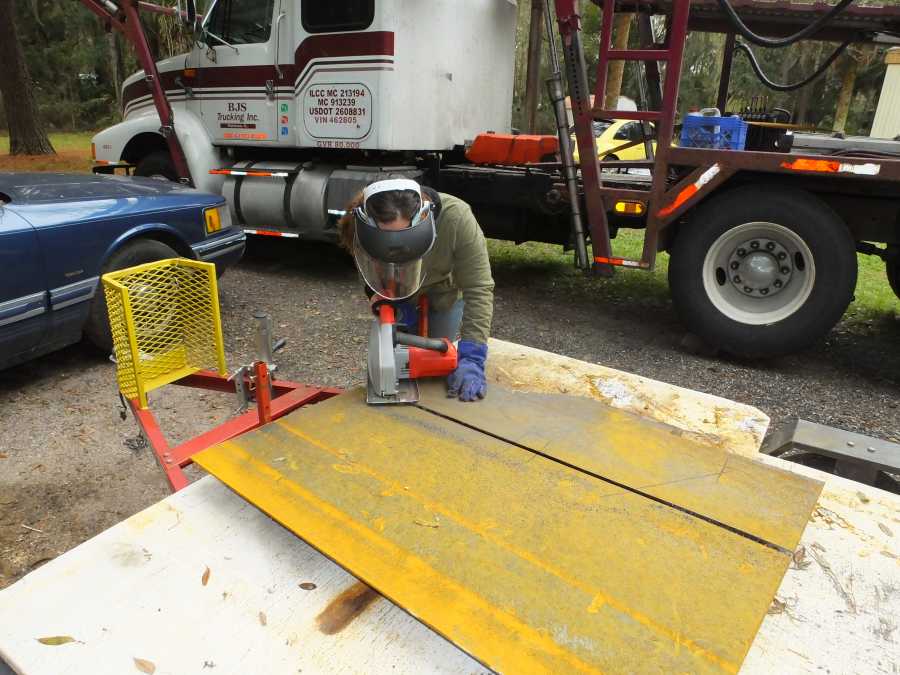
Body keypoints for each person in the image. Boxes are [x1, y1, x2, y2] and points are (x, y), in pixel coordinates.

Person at [339, 178, 494, 402]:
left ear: (424, 218)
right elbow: (367, 266)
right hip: (397, 290)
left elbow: (479, 287)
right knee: (395, 365)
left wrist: (473, 357)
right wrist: (380, 297)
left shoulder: (457, 218)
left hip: (444, 289)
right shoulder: (360, 222)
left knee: (439, 365)